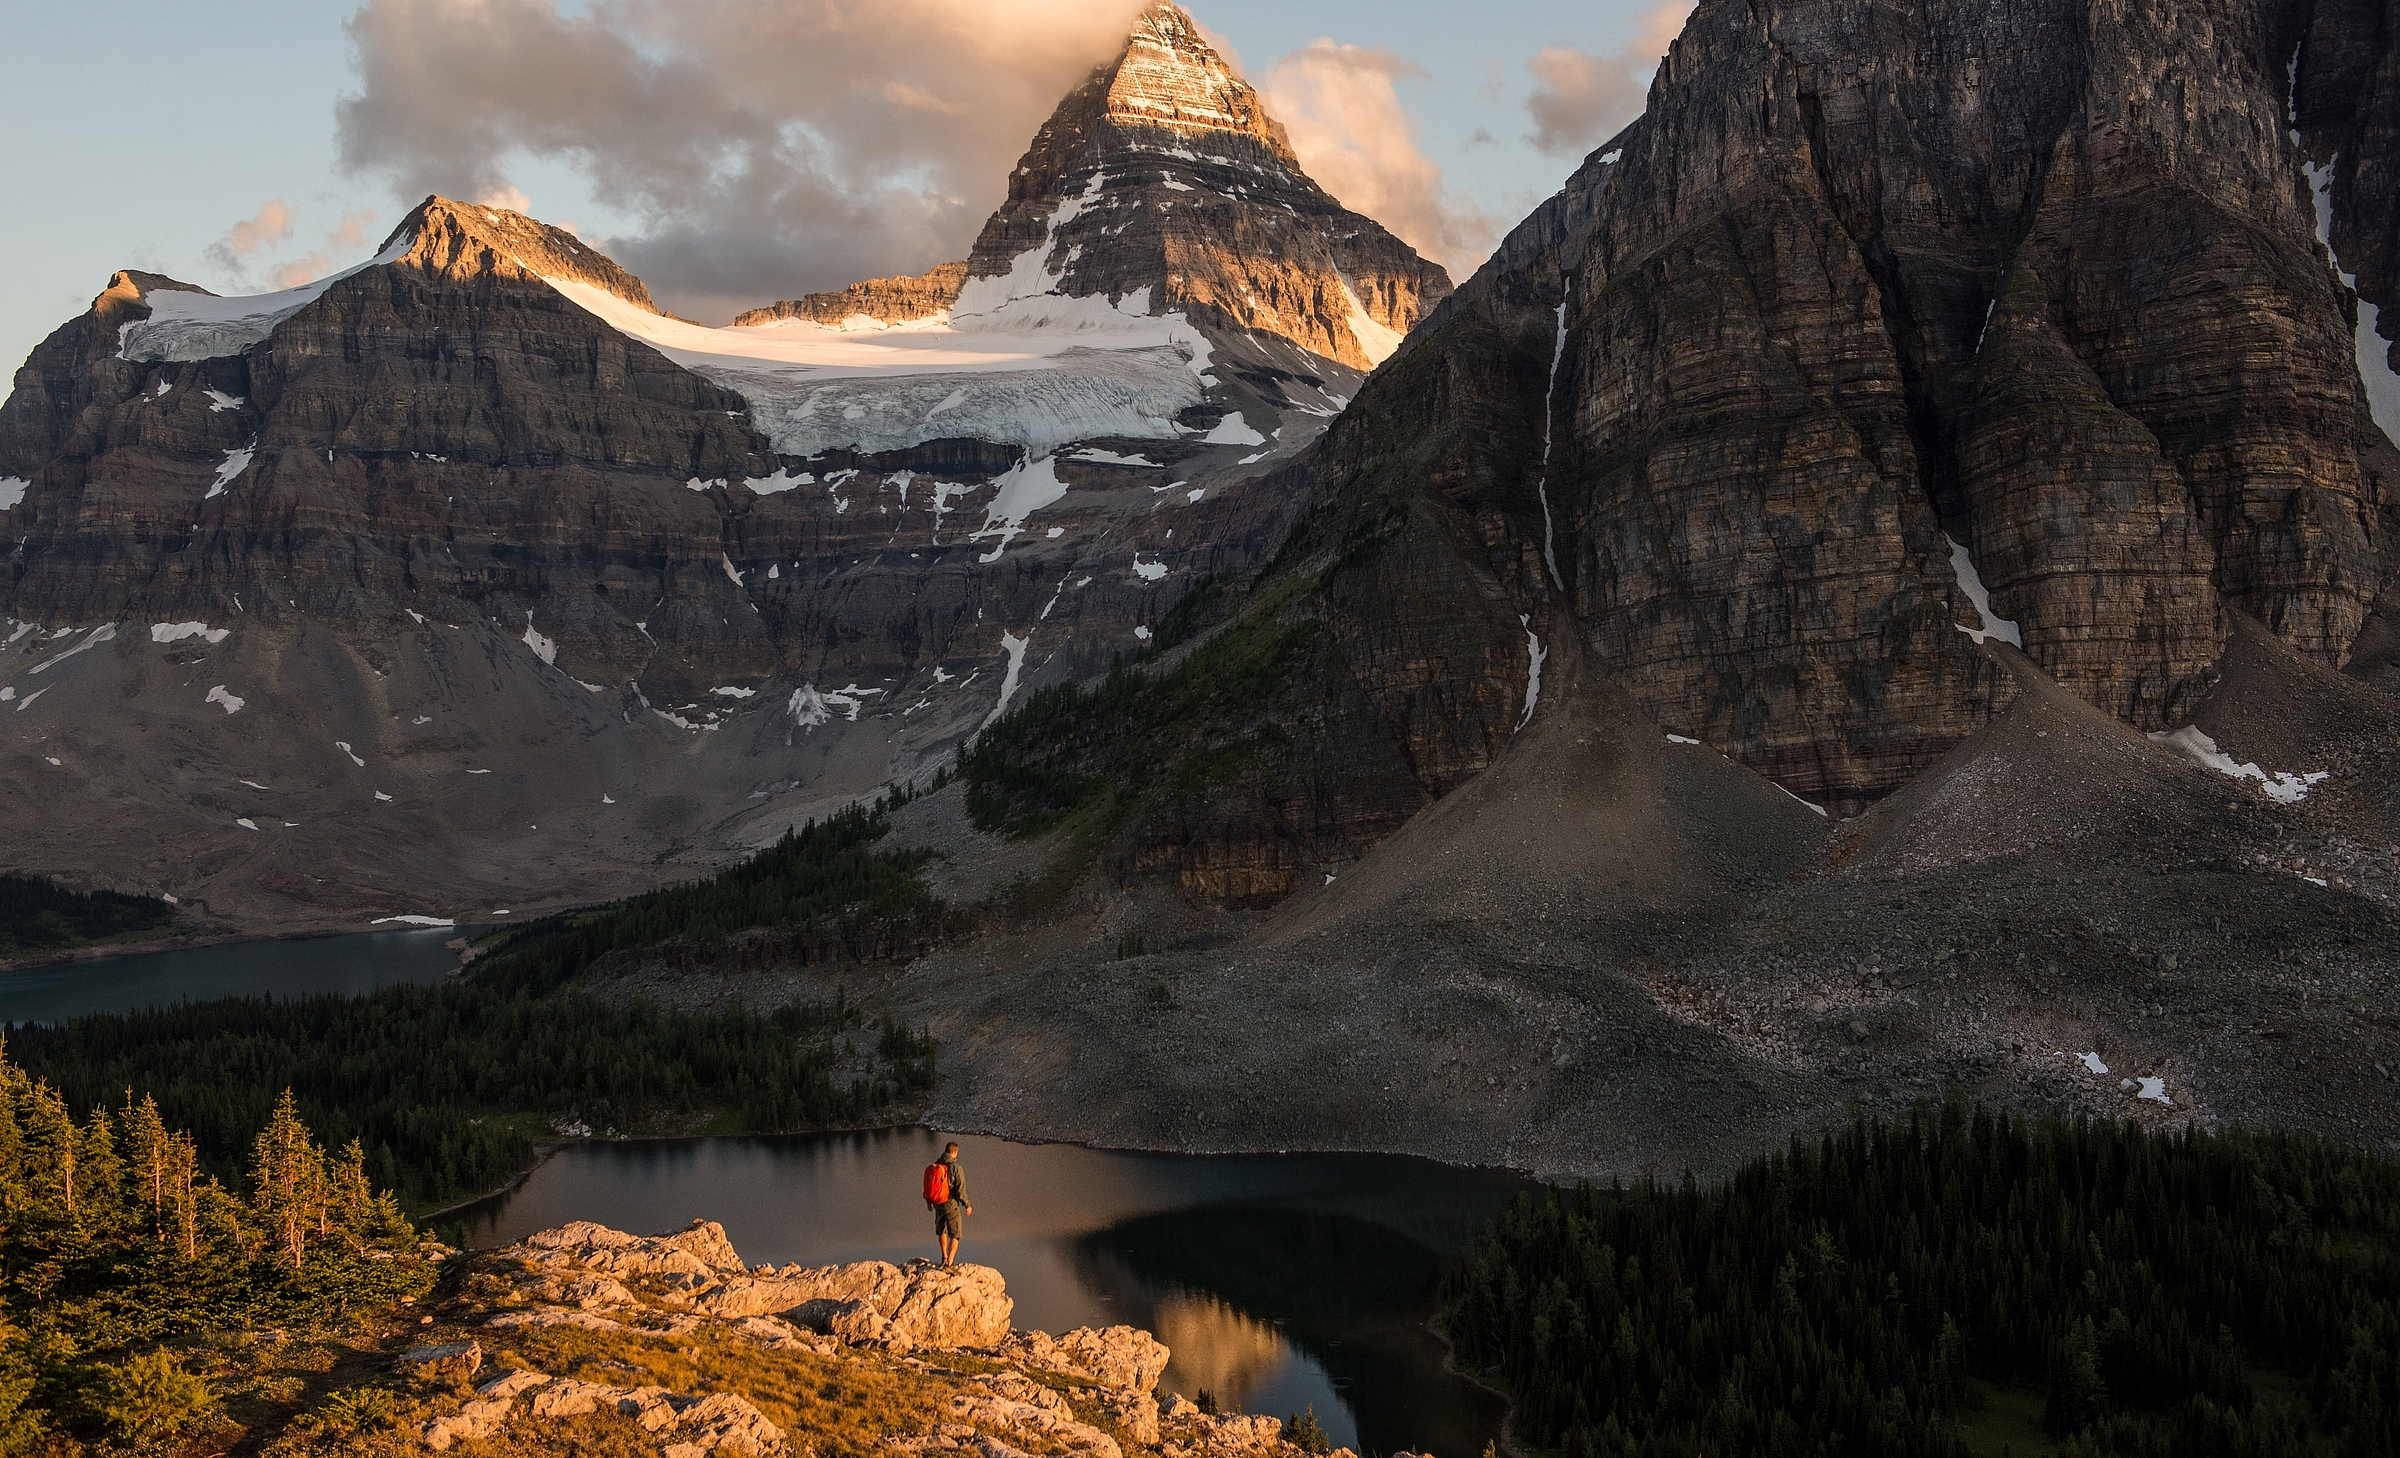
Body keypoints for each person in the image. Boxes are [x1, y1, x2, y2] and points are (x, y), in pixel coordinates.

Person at [928, 1140, 972, 1267]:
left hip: (938, 1203)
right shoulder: (956, 1168)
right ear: (955, 1152)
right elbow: (960, 1189)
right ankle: (949, 1263)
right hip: (951, 1204)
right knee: (955, 1234)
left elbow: (929, 1185)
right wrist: (967, 1205)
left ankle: (944, 1256)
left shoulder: (936, 1165)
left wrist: (929, 1202)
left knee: (941, 1230)